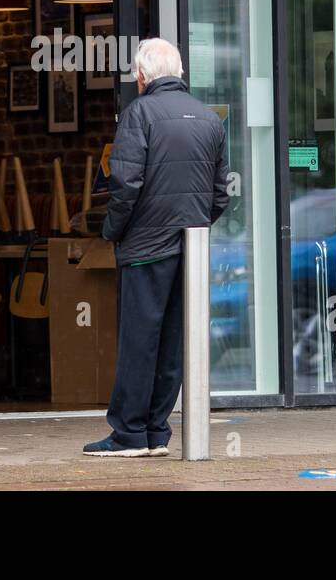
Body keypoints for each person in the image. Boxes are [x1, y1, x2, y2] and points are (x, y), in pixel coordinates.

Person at [84, 37, 228, 457]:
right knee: (171, 342)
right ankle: (157, 432)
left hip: (146, 247)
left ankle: (129, 434)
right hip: (190, 250)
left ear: (141, 77)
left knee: (138, 341)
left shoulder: (138, 114)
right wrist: (193, 228)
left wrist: (112, 231)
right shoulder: (209, 119)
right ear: (180, 72)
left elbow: (125, 186)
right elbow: (220, 195)